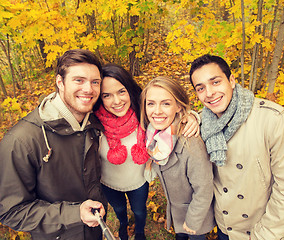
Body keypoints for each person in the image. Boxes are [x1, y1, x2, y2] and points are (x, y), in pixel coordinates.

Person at [189, 54, 284, 240]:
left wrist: (264, 235)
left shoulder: (273, 119)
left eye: (215, 82)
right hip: (226, 229)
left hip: (265, 231)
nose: (209, 93)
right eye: (200, 88)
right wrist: (191, 115)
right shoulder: (203, 123)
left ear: (232, 80)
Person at [0, 49, 107, 240]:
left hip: (94, 230)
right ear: (60, 82)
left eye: (95, 82)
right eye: (79, 80)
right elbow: (11, 210)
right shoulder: (22, 141)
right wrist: (75, 214)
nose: (89, 89)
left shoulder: (93, 124)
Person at [94, 64, 200, 240]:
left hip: (138, 182)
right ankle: (123, 224)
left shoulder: (143, 115)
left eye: (121, 92)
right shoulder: (95, 124)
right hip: (109, 183)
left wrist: (192, 116)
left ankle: (139, 231)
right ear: (100, 98)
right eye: (107, 95)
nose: (117, 101)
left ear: (129, 90)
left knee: (139, 210)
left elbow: (170, 114)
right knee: (119, 209)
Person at [140, 76, 215, 240]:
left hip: (195, 215)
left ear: (179, 107)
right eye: (151, 103)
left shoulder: (191, 144)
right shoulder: (153, 135)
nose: (157, 111)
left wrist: (193, 221)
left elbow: (204, 189)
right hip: (177, 212)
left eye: (166, 103)